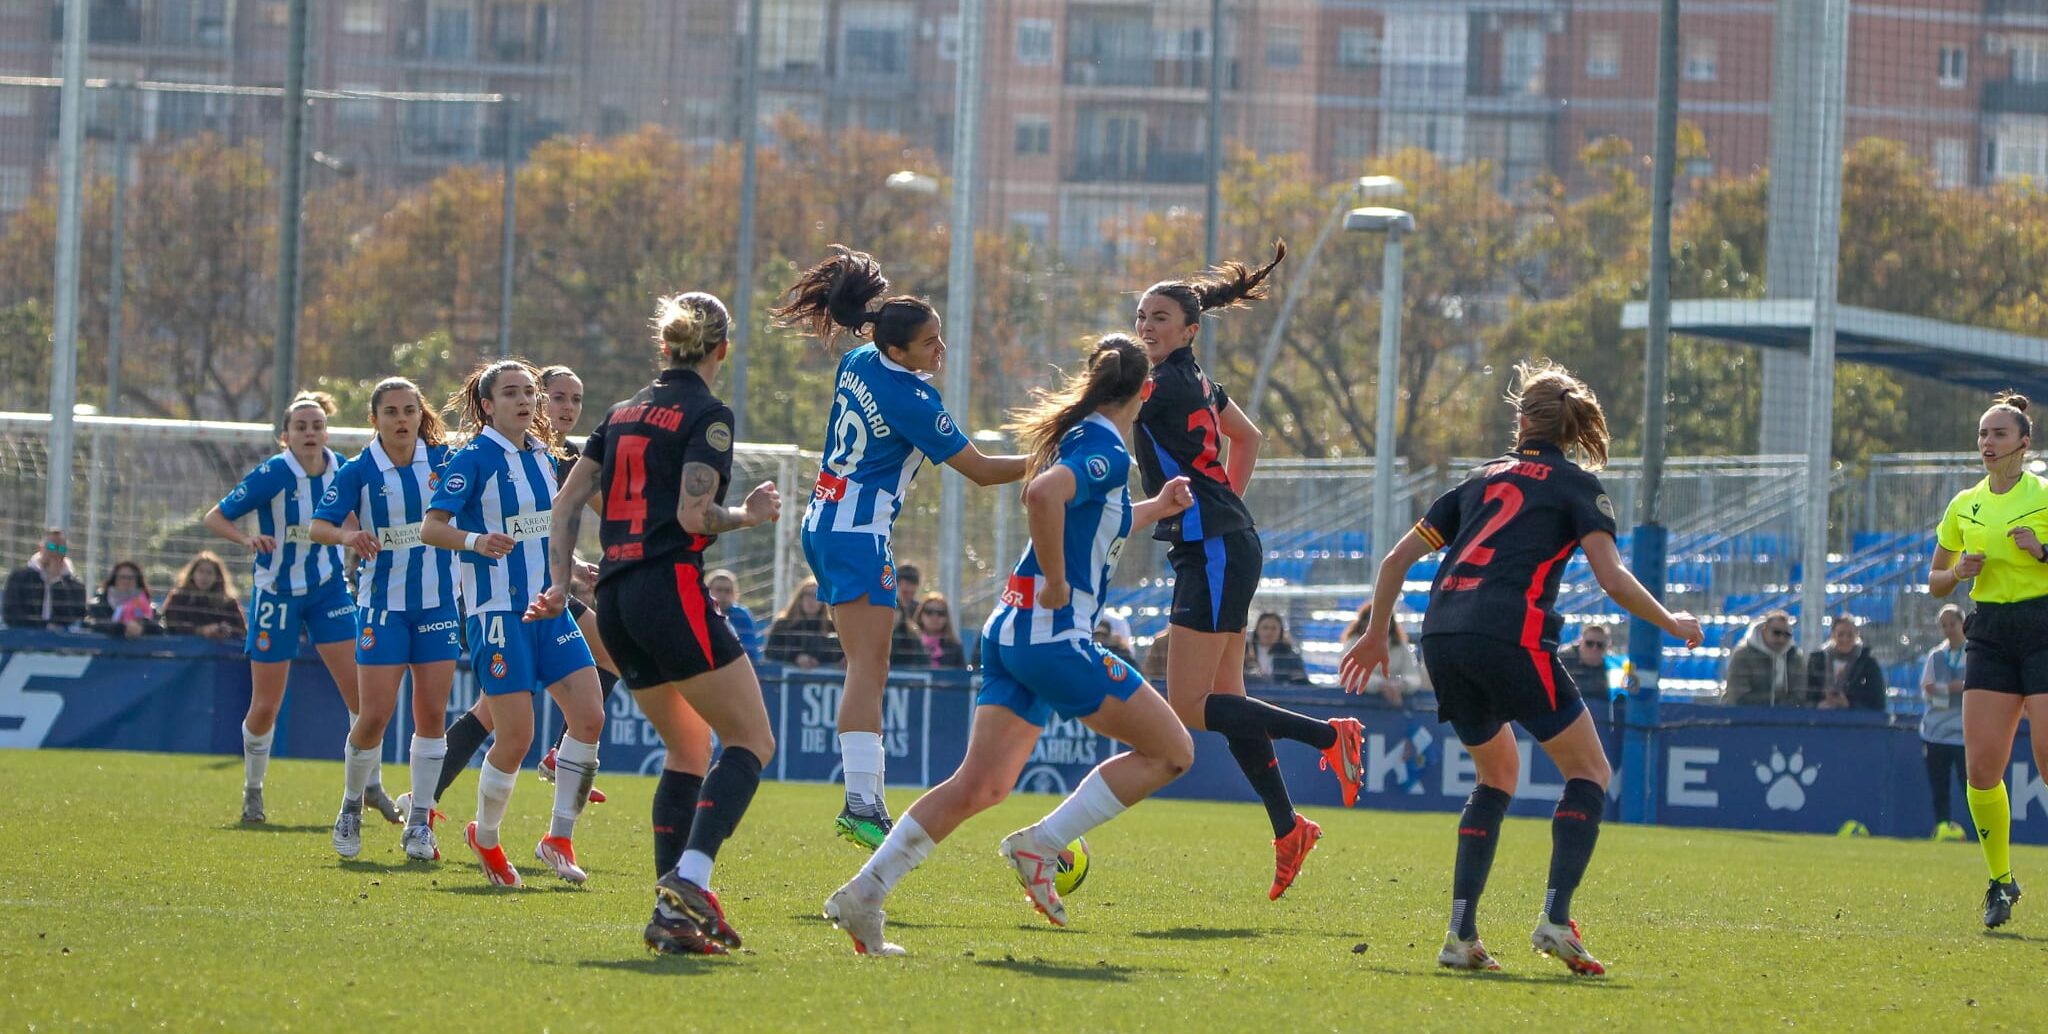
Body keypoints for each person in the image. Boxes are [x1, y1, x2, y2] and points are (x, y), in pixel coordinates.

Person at [823, 334, 1198, 956]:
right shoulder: (1105, 446)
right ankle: (1042, 844)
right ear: (1147, 390)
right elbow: (1042, 494)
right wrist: (1057, 581)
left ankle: (865, 894)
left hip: (1010, 633)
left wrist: (1155, 507)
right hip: (1053, 637)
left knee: (981, 786)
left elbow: (1091, 520)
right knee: (1173, 752)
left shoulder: (1082, 437)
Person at [1341, 360, 1703, 976]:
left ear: (1521, 419)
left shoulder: (1478, 479)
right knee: (1590, 771)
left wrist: (1377, 633)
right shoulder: (1576, 486)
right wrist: (1672, 622)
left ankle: (1461, 935)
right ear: (1572, 425)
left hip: (1443, 637)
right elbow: (1612, 578)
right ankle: (1557, 920)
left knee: (1497, 775)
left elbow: (1395, 561)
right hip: (1510, 634)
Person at [536, 291, 781, 955]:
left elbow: (565, 505)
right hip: (668, 588)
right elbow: (695, 516)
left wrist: (558, 584)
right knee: (751, 741)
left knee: (688, 749)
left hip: (615, 599)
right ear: (722, 349)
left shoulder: (619, 413)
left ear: (663, 346)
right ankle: (691, 878)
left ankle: (670, 916)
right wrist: (750, 515)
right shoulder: (708, 413)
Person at [771, 245, 1029, 850]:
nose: (940, 348)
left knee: (868, 665)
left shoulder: (859, 359)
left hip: (826, 521)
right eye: (929, 342)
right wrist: (1054, 456)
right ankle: (862, 805)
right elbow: (982, 471)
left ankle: (867, 801)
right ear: (897, 348)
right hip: (857, 534)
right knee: (868, 668)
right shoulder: (911, 399)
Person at [1131, 241, 1363, 900]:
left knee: (1189, 706)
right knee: (1227, 705)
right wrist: (1223, 503)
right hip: (1223, 542)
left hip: (1214, 548)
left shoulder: (1159, 385)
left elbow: (1109, 411)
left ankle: (1329, 735)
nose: (1146, 326)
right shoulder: (1196, 381)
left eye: (1159, 318)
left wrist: (1213, 511)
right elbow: (1249, 437)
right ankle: (1289, 828)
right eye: (1141, 316)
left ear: (1189, 330)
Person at [421, 358, 606, 887]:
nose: (524, 400)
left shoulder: (542, 456)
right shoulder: (473, 458)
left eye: (529, 391)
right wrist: (475, 541)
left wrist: (572, 566)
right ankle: (486, 837)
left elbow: (541, 528)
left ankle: (558, 839)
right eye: (510, 393)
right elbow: (432, 528)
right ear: (487, 405)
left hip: (548, 607)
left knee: (589, 717)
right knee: (516, 737)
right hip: (497, 613)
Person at [202, 392, 385, 826]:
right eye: (300, 427)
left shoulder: (343, 469)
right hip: (277, 593)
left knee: (362, 696)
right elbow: (215, 517)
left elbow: (357, 518)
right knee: (266, 705)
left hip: (329, 592)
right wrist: (246, 540)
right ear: (285, 436)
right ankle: (253, 791)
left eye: (317, 425)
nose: (310, 433)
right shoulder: (273, 474)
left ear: (327, 432)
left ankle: (370, 785)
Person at [310, 377, 462, 863]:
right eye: (391, 412)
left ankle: (419, 823)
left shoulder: (445, 461)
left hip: (439, 605)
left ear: (421, 414)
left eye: (409, 410)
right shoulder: (358, 470)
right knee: (374, 715)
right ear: (374, 419)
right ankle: (351, 805)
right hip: (382, 607)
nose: (401, 419)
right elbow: (318, 526)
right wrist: (347, 537)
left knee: (432, 715)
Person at [1928, 390, 2048, 929]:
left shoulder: (2043, 495)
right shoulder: (1964, 504)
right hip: (1992, 632)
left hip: (2043, 627)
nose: (1987, 442)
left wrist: (2042, 552)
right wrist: (1958, 573)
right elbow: (1935, 582)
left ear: (2024, 442)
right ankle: (2001, 882)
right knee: (1980, 770)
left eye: (1999, 433)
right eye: (1982, 433)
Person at [1921, 604, 1969, 842]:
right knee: (1939, 787)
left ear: (1962, 624)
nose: (1949, 629)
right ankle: (1942, 828)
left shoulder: (1974, 654)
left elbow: (1975, 689)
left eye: (1952, 624)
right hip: (1936, 733)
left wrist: (1948, 689)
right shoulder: (1936, 655)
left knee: (1970, 787)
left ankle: (1982, 832)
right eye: (1944, 625)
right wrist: (1951, 689)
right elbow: (1927, 691)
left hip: (1964, 734)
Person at [1343, 603, 1427, 706]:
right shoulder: (1353, 644)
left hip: (1393, 705)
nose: (1379, 624)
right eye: (1371, 620)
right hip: (1357, 704)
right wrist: (1381, 684)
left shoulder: (1399, 646)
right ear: (1364, 622)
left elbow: (1414, 677)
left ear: (1391, 623)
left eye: (1385, 620)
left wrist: (1401, 685)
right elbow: (1349, 675)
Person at [4, 529, 86, 630]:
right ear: (41, 548)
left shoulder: (75, 585)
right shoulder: (20, 578)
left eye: (61, 549)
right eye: (51, 547)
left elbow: (74, 618)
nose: (55, 553)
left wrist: (56, 582)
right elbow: (11, 614)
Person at [1722, 611, 1804, 707]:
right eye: (1776, 633)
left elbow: (1800, 694)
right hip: (1742, 713)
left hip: (1785, 714)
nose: (1781, 639)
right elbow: (1738, 696)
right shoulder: (1743, 655)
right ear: (1764, 630)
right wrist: (1775, 699)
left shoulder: (1795, 657)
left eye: (1787, 634)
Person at [1806, 615, 1885, 711]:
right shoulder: (1817, 661)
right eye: (1841, 634)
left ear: (1856, 635)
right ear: (1832, 635)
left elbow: (1879, 704)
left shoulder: (1868, 664)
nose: (1845, 639)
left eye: (1850, 635)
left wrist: (1849, 705)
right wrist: (1818, 705)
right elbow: (1806, 697)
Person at [160, 551, 244, 640]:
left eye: (209, 573)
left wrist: (225, 630)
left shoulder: (228, 602)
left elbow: (242, 631)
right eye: (201, 571)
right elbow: (172, 625)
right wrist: (201, 630)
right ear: (193, 574)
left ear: (217, 577)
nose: (204, 577)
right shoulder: (179, 597)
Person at [764, 579, 842, 669]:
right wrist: (795, 658)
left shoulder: (833, 627)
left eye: (816, 595)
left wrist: (844, 659)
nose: (811, 600)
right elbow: (770, 652)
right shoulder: (783, 625)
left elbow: (844, 652)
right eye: (807, 595)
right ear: (799, 598)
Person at [87, 560, 162, 637]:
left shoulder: (150, 608)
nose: (126, 581)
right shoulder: (98, 605)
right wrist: (123, 628)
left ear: (137, 581)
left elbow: (159, 628)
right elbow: (92, 625)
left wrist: (141, 627)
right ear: (114, 579)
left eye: (130, 578)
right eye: (122, 577)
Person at [706, 568, 763, 662]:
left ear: (734, 593)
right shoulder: (703, 613)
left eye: (728, 591)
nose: (723, 595)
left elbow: (751, 650)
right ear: (709, 591)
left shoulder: (742, 615)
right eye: (719, 590)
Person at [1245, 611, 1310, 685]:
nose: (1269, 632)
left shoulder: (1290, 656)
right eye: (1265, 627)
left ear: (1280, 631)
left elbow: (1301, 683)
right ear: (1257, 630)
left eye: (1274, 628)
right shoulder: (1246, 652)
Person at [1557, 624, 1614, 705]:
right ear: (1580, 642)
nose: (1594, 648)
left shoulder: (1611, 666)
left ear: (1605, 648)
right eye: (1589, 643)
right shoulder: (1562, 660)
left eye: (1600, 645)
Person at [911, 593, 967, 669]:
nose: (935, 617)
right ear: (921, 615)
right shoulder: (910, 642)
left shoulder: (954, 647)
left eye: (941, 613)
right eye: (929, 612)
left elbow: (961, 674)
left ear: (946, 618)